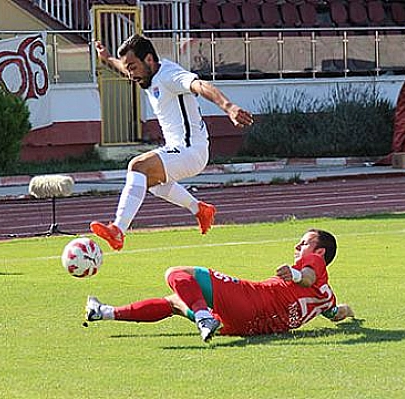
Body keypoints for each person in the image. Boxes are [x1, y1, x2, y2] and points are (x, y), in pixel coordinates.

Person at [90, 34, 254, 250]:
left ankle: (118, 230)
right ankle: (199, 209)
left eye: (133, 67)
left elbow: (200, 85)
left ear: (149, 60)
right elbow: (123, 66)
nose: (130, 74)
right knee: (146, 183)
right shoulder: (148, 75)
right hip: (178, 149)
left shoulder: (170, 75)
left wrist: (228, 106)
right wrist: (107, 58)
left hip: (191, 151)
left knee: (137, 167)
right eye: (128, 68)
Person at [84, 229, 354, 342]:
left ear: (319, 254)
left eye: (305, 243)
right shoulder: (326, 297)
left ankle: (203, 317)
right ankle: (103, 312)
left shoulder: (313, 265)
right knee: (176, 302)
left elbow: (306, 276)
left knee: (176, 273)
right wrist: (349, 311)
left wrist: (295, 276)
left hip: (249, 301)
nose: (298, 246)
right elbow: (336, 313)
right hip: (248, 328)